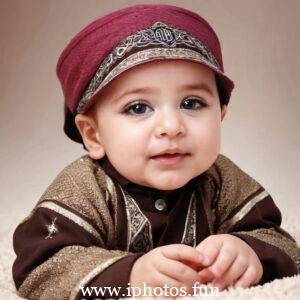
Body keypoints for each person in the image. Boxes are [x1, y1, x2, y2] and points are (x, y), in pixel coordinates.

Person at [12, 4, 300, 300]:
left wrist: (248, 252)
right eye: (138, 108)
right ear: (93, 135)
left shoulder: (221, 179)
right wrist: (130, 275)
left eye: (191, 103)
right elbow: (39, 265)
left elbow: (280, 241)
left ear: (221, 114)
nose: (171, 126)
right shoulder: (84, 187)